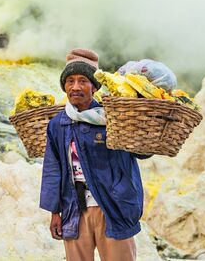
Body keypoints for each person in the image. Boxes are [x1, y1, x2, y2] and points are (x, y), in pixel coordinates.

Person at [40, 48, 150, 261]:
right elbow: (53, 169)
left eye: (83, 80)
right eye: (70, 81)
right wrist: (54, 212)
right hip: (74, 208)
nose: (75, 87)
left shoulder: (116, 118)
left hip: (113, 207)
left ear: (94, 86)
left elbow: (142, 152)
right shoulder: (58, 124)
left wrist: (146, 130)